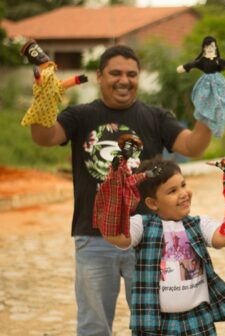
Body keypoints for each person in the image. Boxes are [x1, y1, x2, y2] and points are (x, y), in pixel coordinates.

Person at [29, 45, 213, 335]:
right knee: (93, 325)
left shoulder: (156, 117)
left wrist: (209, 112)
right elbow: (44, 137)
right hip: (93, 237)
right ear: (100, 76)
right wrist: (43, 100)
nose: (123, 80)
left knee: (155, 324)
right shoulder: (79, 116)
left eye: (131, 74)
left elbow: (193, 146)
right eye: (115, 73)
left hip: (149, 239)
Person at [100, 158, 225, 335]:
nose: (183, 193)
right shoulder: (141, 226)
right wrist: (113, 191)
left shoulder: (199, 224)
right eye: (172, 191)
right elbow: (115, 236)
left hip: (198, 318)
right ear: (153, 203)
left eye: (183, 185)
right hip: (155, 323)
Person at [177, 36, 225, 138]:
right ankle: (207, 116)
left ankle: (218, 117)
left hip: (219, 82)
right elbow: (193, 64)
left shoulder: (218, 60)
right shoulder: (202, 61)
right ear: (204, 48)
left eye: (212, 46)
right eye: (207, 46)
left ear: (215, 47)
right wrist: (184, 67)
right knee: (205, 98)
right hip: (205, 84)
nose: (210, 48)